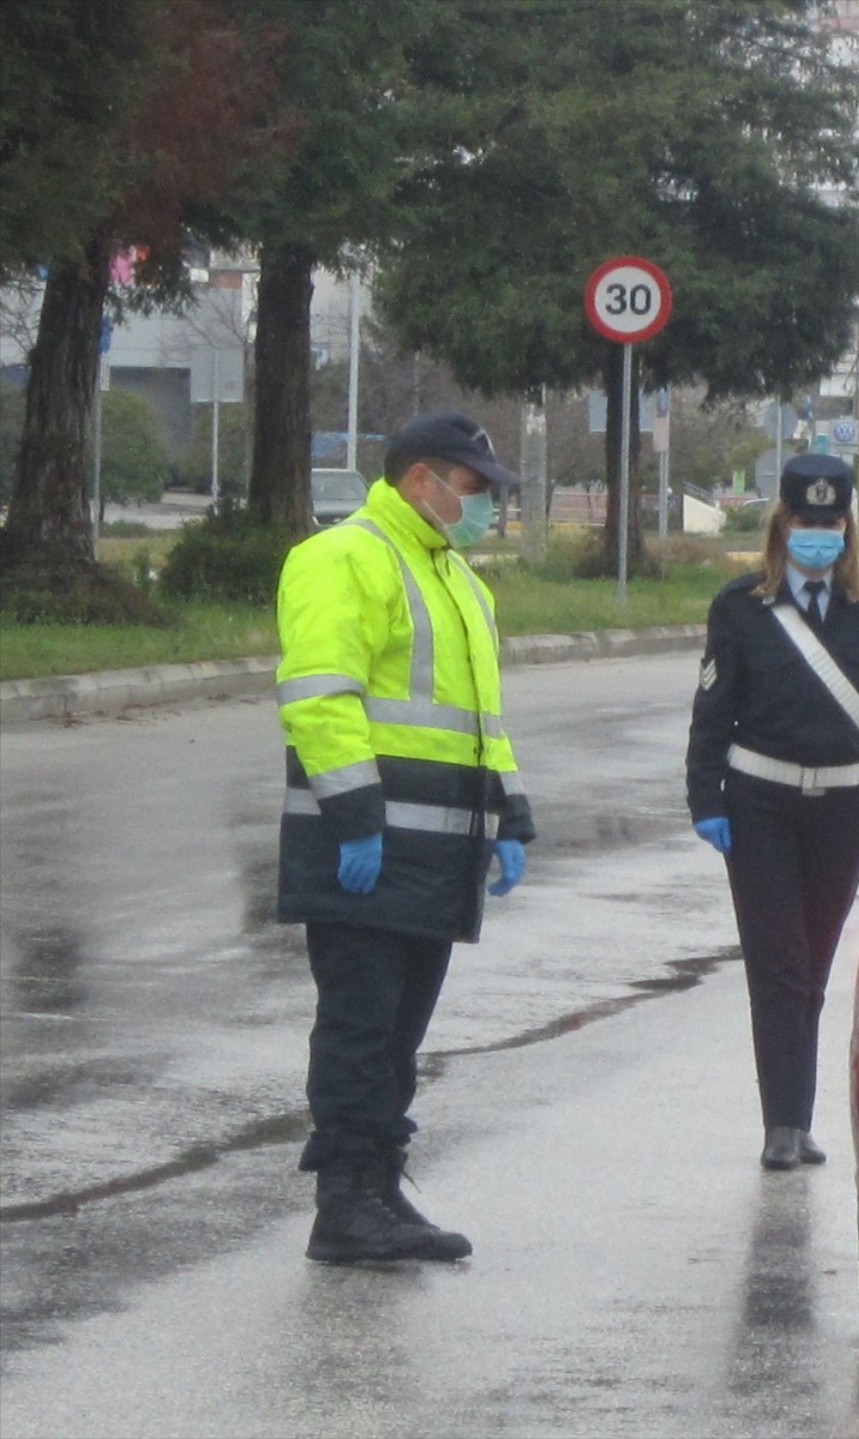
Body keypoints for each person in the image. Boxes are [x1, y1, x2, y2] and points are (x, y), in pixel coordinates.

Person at [275, 411, 536, 1264]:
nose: (481, 506)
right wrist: (355, 818)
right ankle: (343, 1202)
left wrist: (510, 813)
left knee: (399, 1034)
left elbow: (480, 721)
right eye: (471, 488)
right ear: (420, 478)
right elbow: (320, 697)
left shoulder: (459, 580)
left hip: (435, 855)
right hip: (367, 850)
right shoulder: (343, 557)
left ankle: (381, 1188)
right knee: (359, 1025)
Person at [686, 453, 859, 1171]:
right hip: (760, 805)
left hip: (842, 807)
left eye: (832, 522)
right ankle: (781, 1124)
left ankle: (799, 1119)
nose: (820, 534)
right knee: (777, 965)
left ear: (848, 528)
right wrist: (704, 798)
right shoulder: (741, 607)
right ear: (782, 525)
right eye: (807, 522)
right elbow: (712, 712)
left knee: (812, 969)